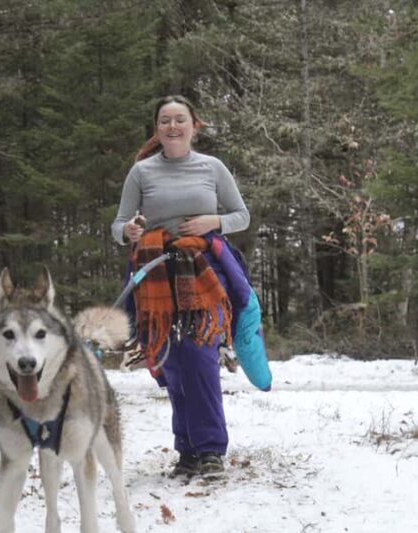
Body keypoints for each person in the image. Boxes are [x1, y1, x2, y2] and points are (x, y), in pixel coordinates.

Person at [111, 95, 250, 478]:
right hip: (155, 271)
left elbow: (242, 216)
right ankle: (187, 451)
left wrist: (212, 222)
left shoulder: (213, 168)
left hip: (202, 269)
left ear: (194, 125)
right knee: (171, 359)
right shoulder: (142, 172)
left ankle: (210, 451)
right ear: (156, 129)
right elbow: (119, 224)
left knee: (201, 355)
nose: (173, 126)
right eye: (165, 121)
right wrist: (129, 230)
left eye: (180, 119)